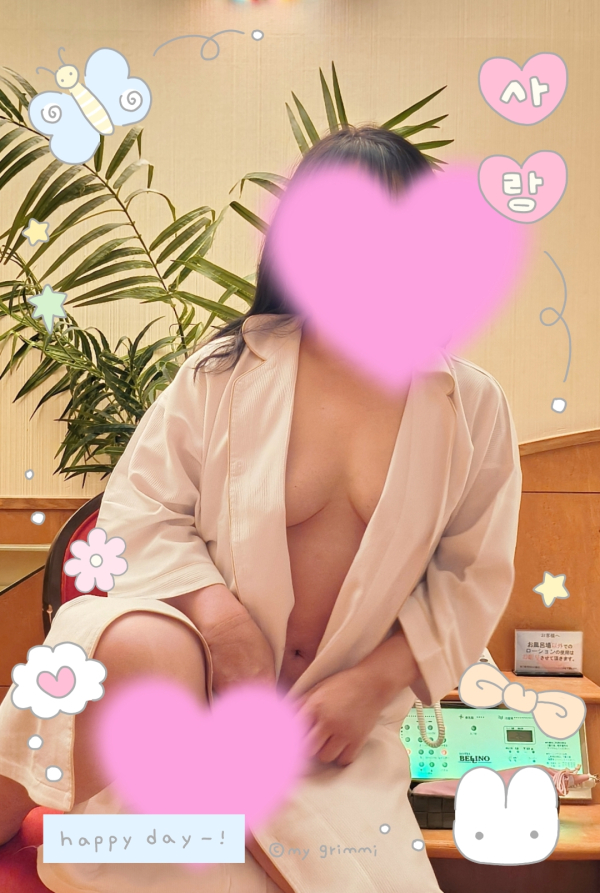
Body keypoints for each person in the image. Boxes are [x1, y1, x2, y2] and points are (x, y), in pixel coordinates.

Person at [0, 125, 522, 893]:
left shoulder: (470, 404)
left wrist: (371, 685)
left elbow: (472, 577)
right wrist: (222, 623)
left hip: (331, 733)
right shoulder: (223, 372)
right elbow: (139, 509)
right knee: (113, 641)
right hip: (197, 690)